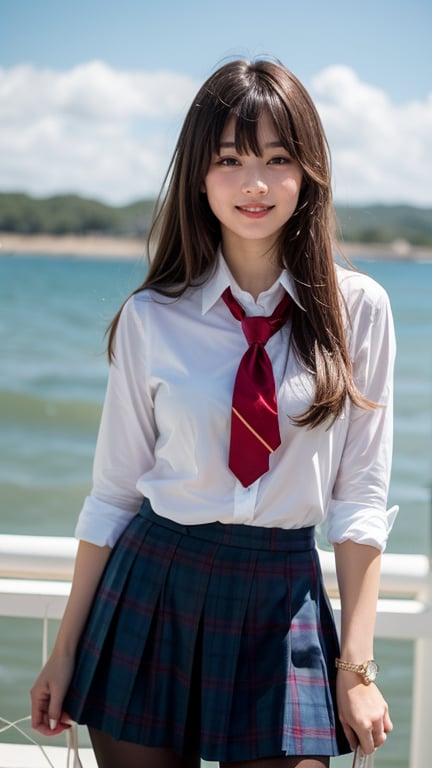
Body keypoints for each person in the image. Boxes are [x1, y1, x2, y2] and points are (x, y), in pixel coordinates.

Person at [30, 58, 398, 768]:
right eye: (229, 159)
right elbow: (112, 495)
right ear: (199, 175)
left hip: (281, 598)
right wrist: (64, 651)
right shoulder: (150, 317)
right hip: (155, 583)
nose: (254, 184)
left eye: (277, 158)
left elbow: (360, 502)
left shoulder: (362, 312)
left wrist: (356, 669)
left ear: (309, 172)